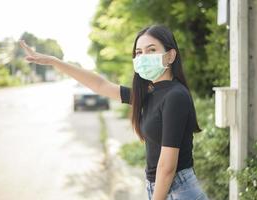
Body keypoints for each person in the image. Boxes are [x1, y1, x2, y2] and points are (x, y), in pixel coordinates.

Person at [19, 24, 209, 200]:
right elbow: (100, 84)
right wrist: (54, 62)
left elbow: (167, 167)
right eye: (139, 52)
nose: (143, 56)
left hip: (178, 191)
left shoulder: (175, 96)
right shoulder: (149, 92)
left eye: (151, 50)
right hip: (161, 188)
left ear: (170, 56)